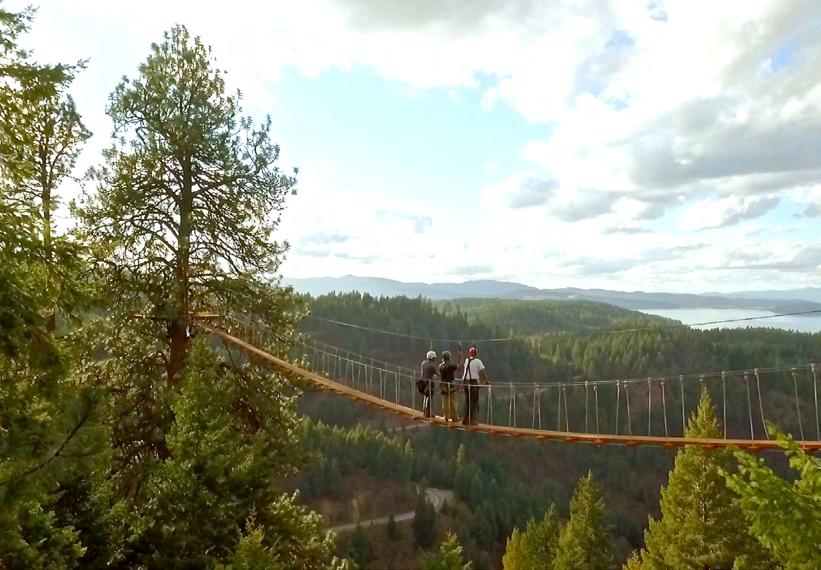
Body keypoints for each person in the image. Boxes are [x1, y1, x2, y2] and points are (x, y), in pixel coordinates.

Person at [462, 346, 491, 426]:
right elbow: (483, 372)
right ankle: (471, 421)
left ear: (469, 354)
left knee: (468, 402)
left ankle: (465, 419)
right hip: (473, 383)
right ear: (476, 354)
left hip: (465, 383)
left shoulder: (466, 360)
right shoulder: (478, 361)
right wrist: (487, 381)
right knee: (473, 402)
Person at [438, 351, 459, 422]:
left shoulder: (440, 366)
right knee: (453, 402)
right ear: (449, 358)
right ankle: (454, 417)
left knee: (445, 402)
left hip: (443, 386)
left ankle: (445, 417)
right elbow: (460, 366)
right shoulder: (450, 366)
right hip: (451, 386)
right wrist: (461, 356)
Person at [419, 350, 439, 419]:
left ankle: (424, 412)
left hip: (422, 383)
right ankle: (428, 413)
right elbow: (438, 374)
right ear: (433, 358)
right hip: (429, 384)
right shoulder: (432, 366)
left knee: (425, 397)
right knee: (429, 398)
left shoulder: (423, 363)